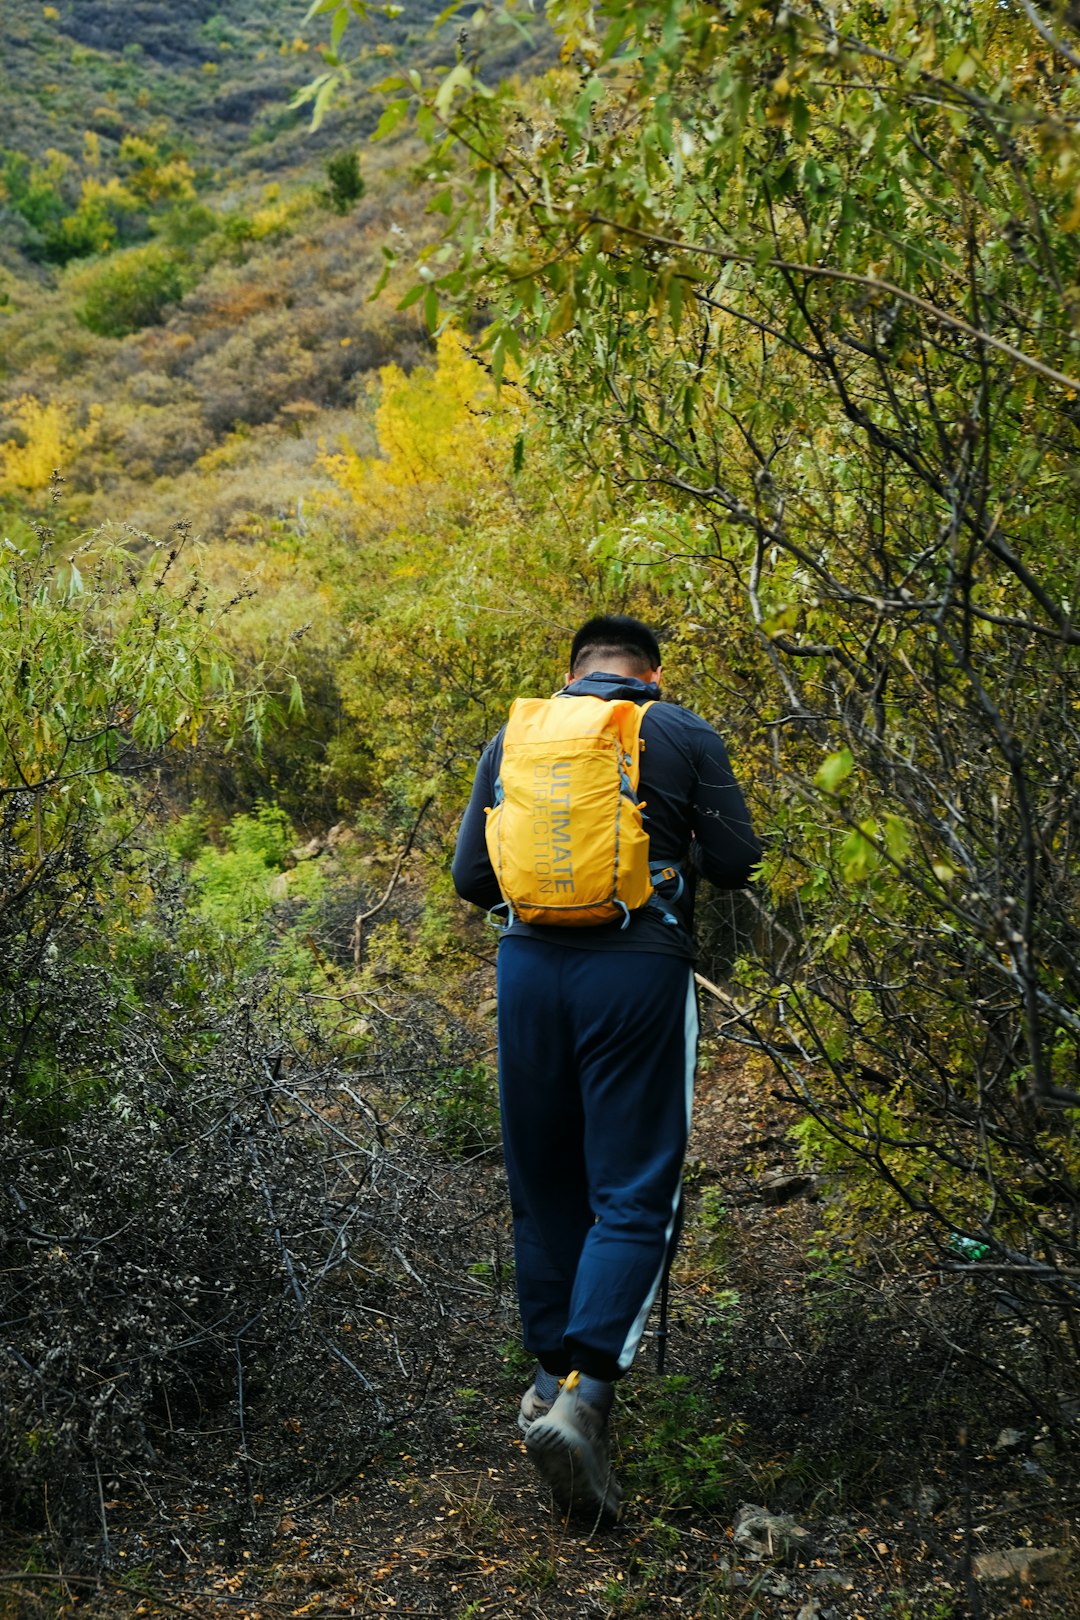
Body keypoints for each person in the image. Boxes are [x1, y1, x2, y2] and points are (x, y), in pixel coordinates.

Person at [451, 614, 760, 1520]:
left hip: (528, 970)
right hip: (636, 969)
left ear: (575, 673)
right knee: (633, 1187)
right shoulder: (679, 729)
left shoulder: (517, 734)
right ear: (651, 675)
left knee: (545, 1182)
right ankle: (585, 1401)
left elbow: (473, 877)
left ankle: (549, 1383)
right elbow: (738, 863)